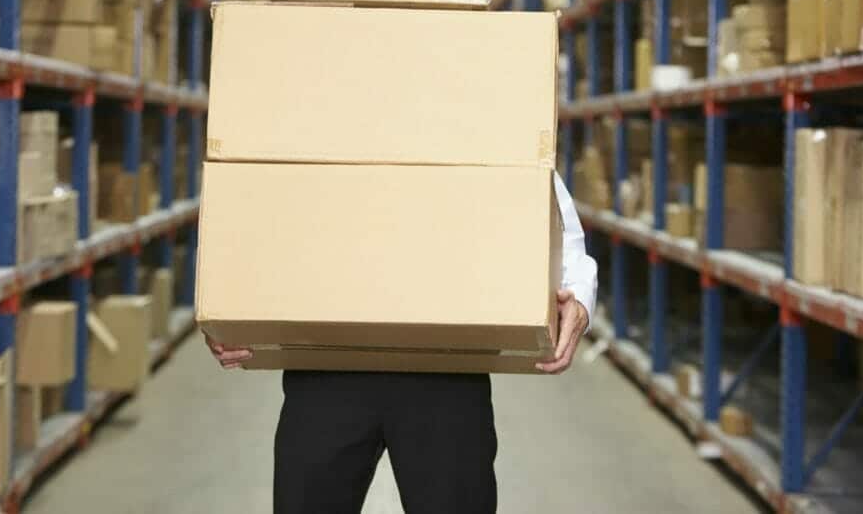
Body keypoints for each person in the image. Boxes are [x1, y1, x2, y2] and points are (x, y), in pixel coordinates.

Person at [205, 172, 598, 514]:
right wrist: (226, 300)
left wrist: (578, 292)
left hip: (449, 365)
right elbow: (253, 181)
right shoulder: (309, 94)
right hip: (325, 363)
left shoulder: (471, 92)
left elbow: (530, 173)